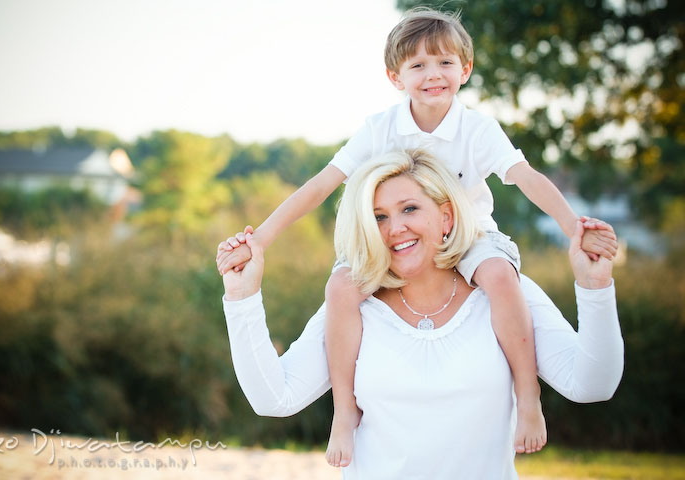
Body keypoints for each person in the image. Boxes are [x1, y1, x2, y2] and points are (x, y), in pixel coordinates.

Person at [216, 7, 618, 465]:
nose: (434, 75)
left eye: (446, 63)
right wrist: (261, 239)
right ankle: (344, 412)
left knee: (501, 277)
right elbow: (322, 185)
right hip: (377, 253)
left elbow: (526, 177)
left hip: (473, 236)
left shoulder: (478, 128)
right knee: (342, 285)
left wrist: (575, 230)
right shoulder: (379, 128)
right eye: (418, 66)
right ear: (395, 76)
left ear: (466, 69)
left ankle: (528, 398)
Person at [221, 150, 624, 479]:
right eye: (378, 216)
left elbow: (593, 385)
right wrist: (242, 297)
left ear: (446, 216)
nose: (394, 228)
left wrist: (595, 288)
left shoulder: (504, 293)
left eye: (409, 208)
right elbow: (274, 399)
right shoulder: (351, 305)